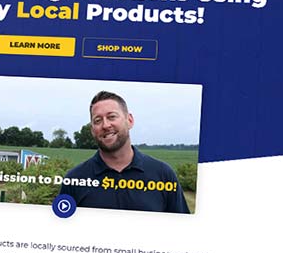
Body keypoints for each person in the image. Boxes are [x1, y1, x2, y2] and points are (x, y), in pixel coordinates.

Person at [59, 90, 191, 214]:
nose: (105, 125)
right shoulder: (74, 180)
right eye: (97, 120)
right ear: (93, 130)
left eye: (112, 117)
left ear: (130, 120)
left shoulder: (163, 174)